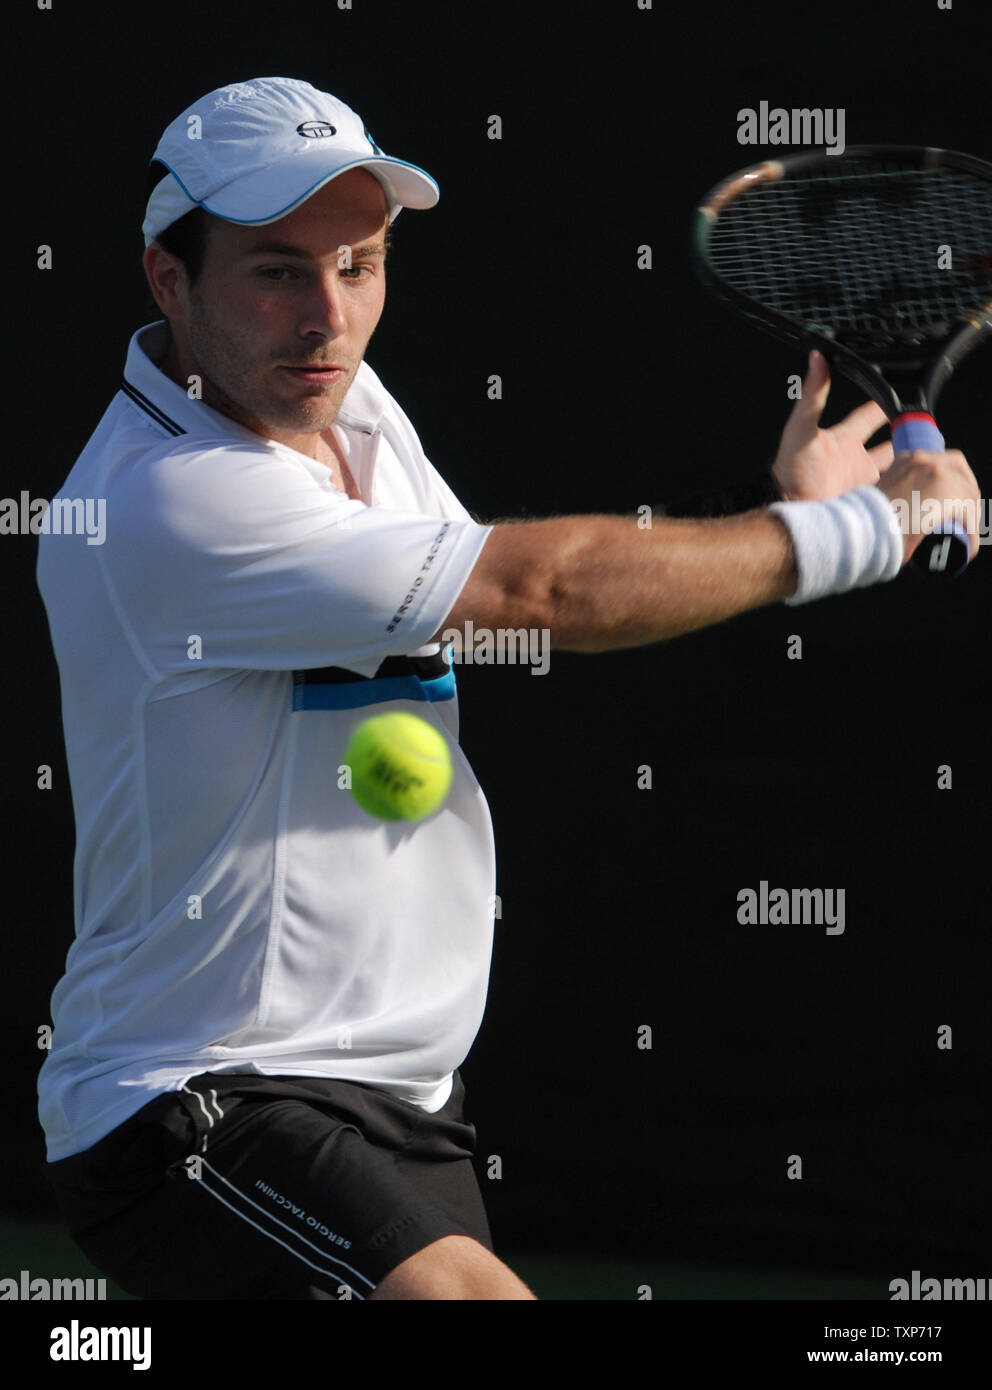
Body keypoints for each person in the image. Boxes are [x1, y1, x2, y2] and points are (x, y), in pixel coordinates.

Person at [35, 77, 979, 1303]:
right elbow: (543, 593)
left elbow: (485, 607)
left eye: (361, 266)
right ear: (171, 279)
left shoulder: (349, 415)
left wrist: (793, 521)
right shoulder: (171, 500)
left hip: (408, 1105)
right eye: (276, 271)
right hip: (202, 1097)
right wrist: (856, 534)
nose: (328, 316)